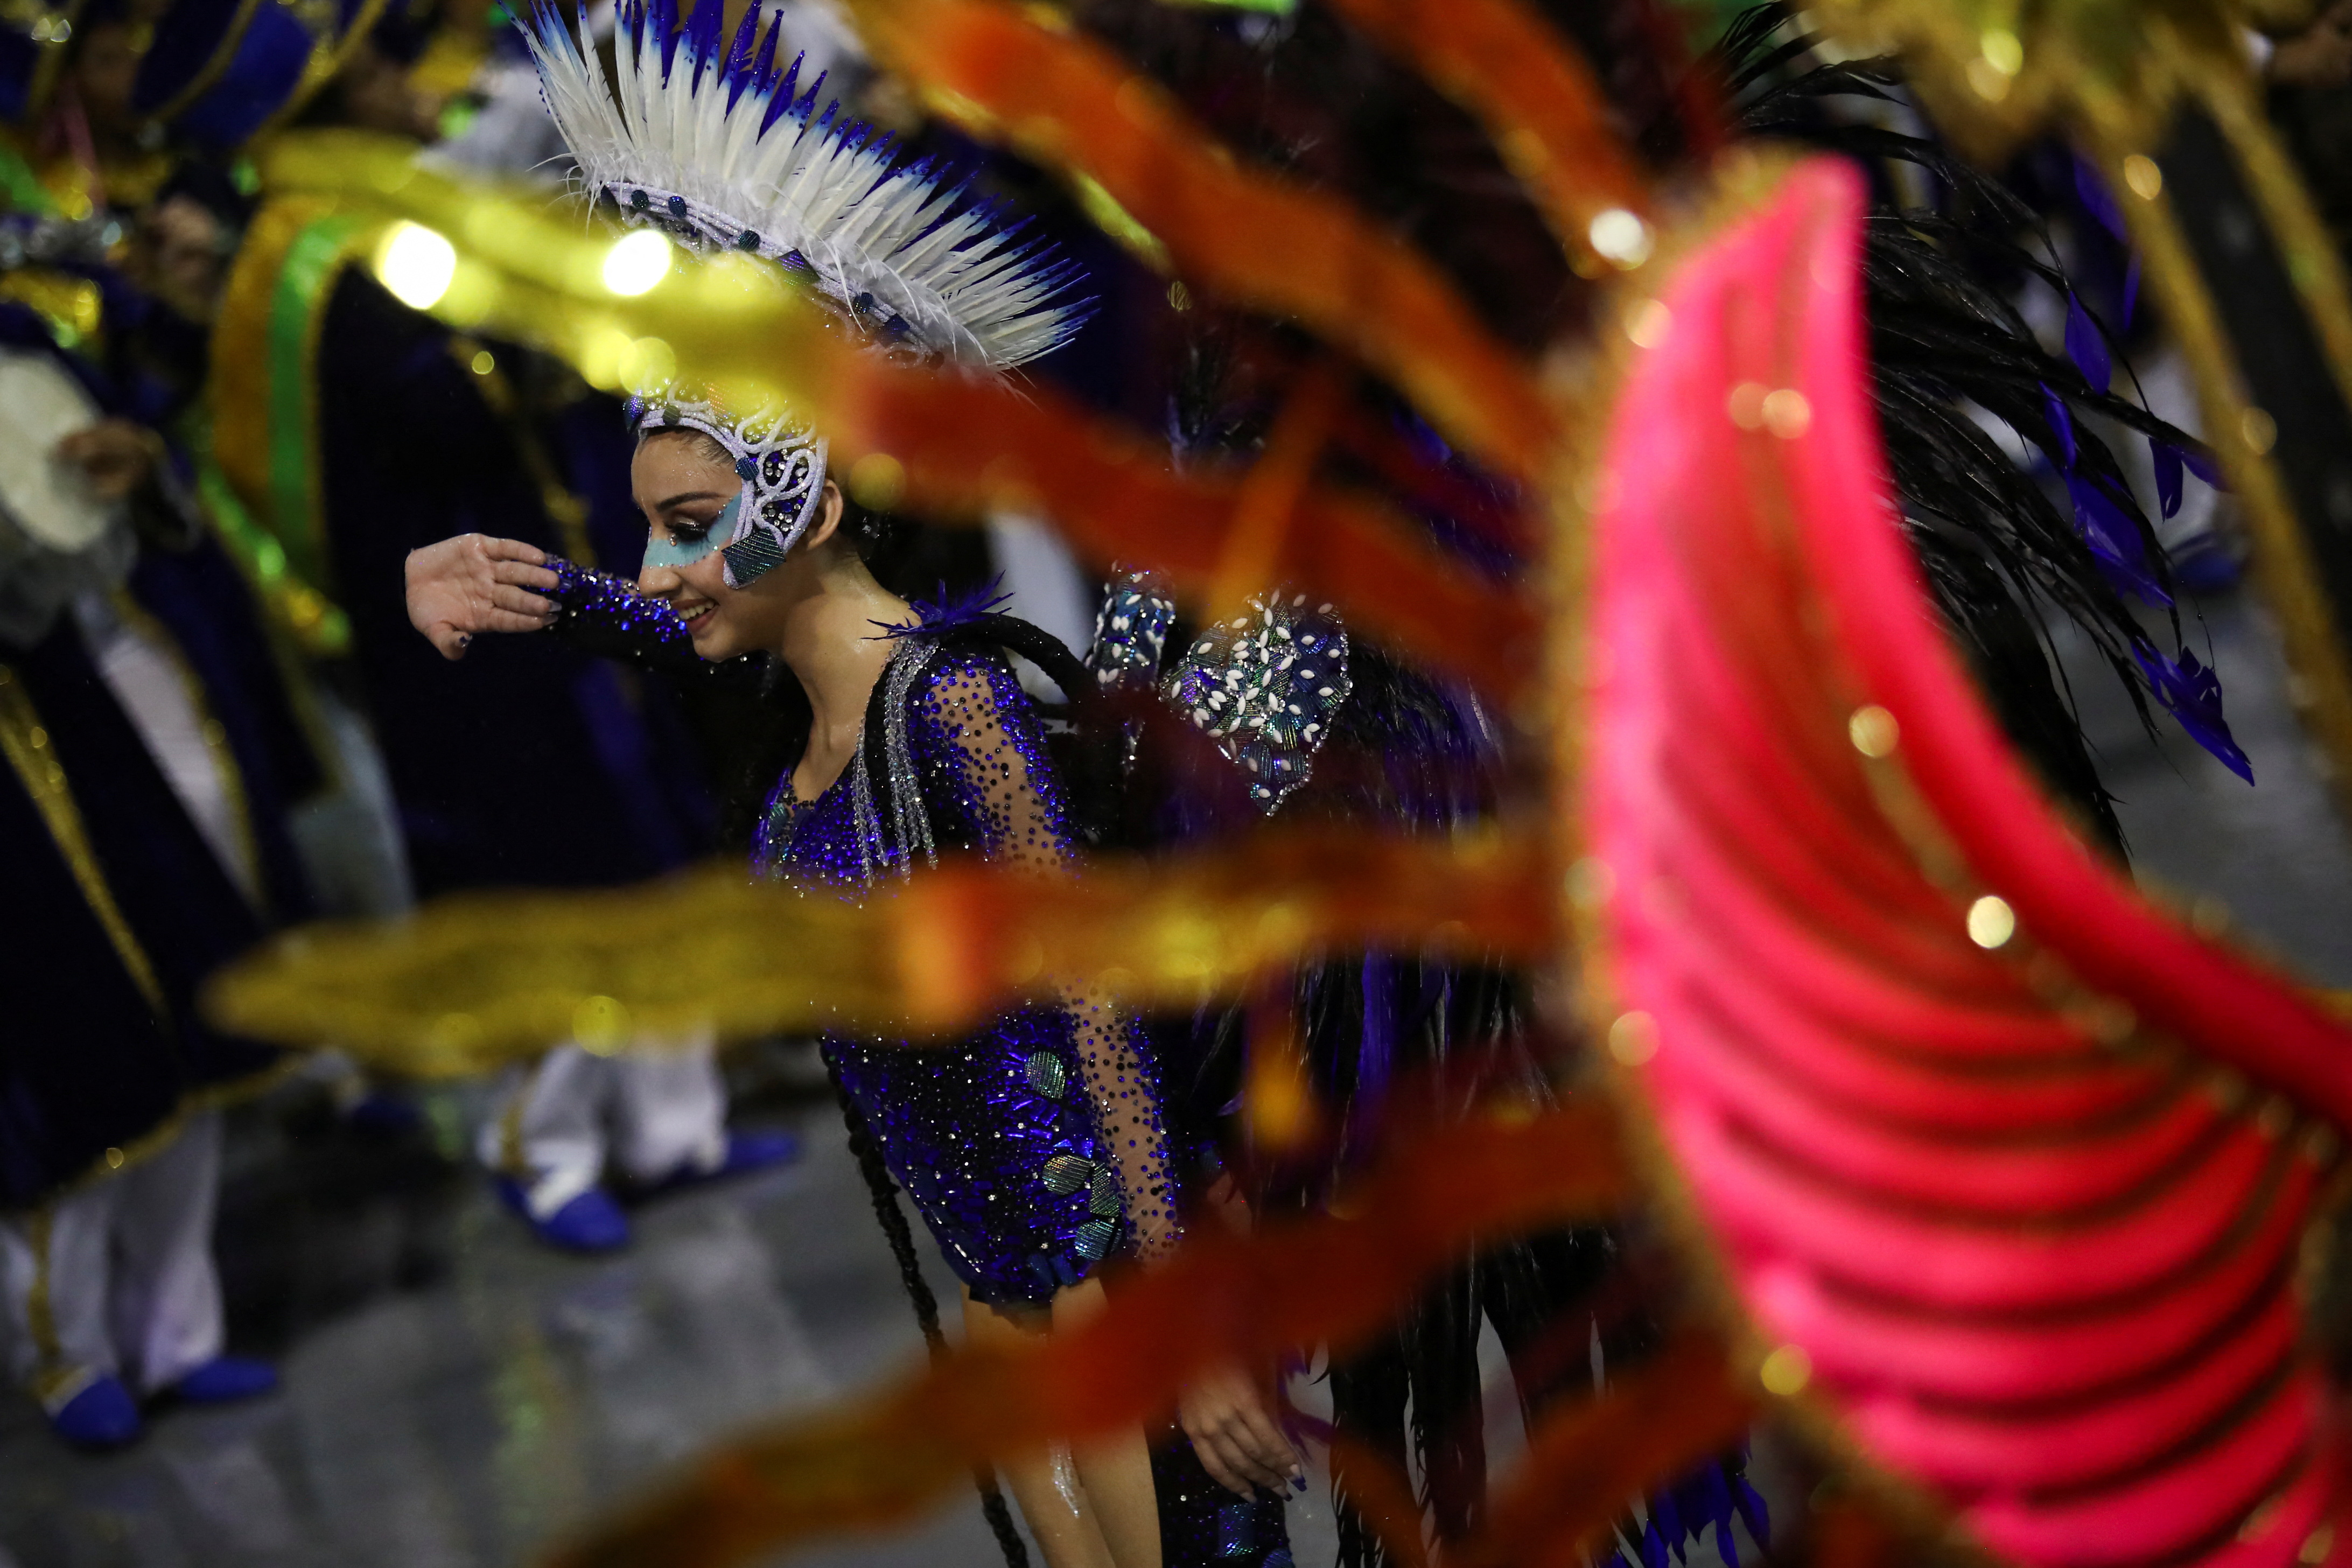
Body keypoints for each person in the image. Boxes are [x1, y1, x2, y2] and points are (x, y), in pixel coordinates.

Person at [400, 3, 1301, 1560]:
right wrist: (529, 587)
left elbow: (1098, 1020)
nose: (662, 566)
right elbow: (689, 616)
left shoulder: (949, 710)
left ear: (804, 497)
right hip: (1001, 1325)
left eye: (688, 519)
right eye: (650, 526)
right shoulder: (817, 701)